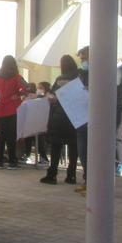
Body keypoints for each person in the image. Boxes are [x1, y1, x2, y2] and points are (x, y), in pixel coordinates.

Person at [40, 56, 81, 185]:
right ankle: (71, 175)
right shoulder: (80, 77)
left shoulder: (59, 79)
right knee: (74, 147)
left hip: (60, 116)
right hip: (75, 116)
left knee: (56, 146)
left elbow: (51, 95)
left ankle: (52, 174)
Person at [0, 55, 25, 169]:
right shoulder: (17, 77)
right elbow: (27, 88)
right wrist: (19, 95)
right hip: (13, 108)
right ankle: (12, 161)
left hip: (0, 108)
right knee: (12, 135)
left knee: (1, 135)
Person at [74, 46, 90, 194]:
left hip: (92, 117)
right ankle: (87, 180)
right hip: (80, 117)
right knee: (83, 151)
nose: (82, 61)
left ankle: (93, 184)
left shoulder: (100, 72)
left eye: (84, 58)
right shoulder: (82, 73)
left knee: (92, 151)